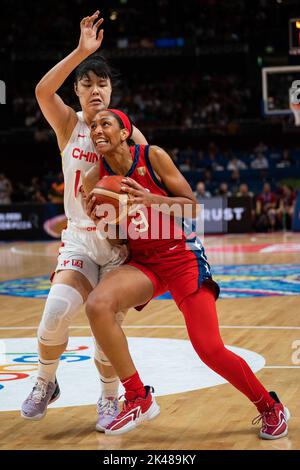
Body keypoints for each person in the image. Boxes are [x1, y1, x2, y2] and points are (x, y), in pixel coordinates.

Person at [85, 109, 290, 439]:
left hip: (181, 258)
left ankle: (270, 406)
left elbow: (192, 206)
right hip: (144, 262)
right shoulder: (98, 178)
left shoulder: (152, 157)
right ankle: (138, 396)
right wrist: (102, 221)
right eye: (93, 125)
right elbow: (116, 238)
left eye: (105, 123)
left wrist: (148, 198)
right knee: (97, 305)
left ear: (124, 132)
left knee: (209, 348)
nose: (97, 129)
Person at [21, 11, 148, 432]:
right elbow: (41, 89)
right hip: (78, 240)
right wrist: (81, 51)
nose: (96, 89)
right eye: (87, 83)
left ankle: (109, 398)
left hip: (118, 250)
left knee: (103, 335)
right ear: (76, 90)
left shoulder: (131, 135)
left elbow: (157, 192)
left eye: (102, 83)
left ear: (112, 91)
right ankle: (45, 380)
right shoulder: (68, 124)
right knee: (56, 310)